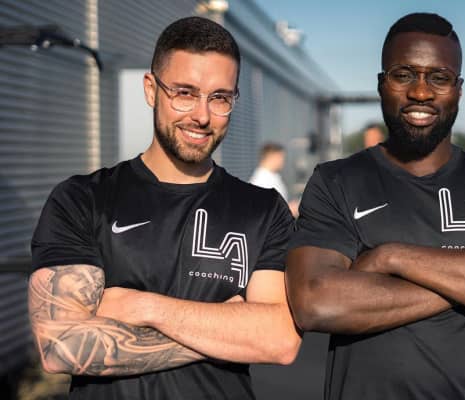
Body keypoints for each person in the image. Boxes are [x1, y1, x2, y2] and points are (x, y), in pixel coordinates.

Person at [285, 13, 465, 400]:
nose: (420, 92)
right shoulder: (336, 182)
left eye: (439, 78)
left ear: (458, 90)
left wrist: (391, 257)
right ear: (381, 84)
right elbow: (316, 301)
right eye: (403, 74)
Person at [28, 17, 300, 399]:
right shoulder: (83, 199)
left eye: (220, 98)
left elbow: (280, 340)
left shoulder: (263, 210)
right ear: (151, 89)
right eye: (185, 93)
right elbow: (61, 345)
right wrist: (231, 330)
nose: (202, 116)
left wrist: (143, 306)